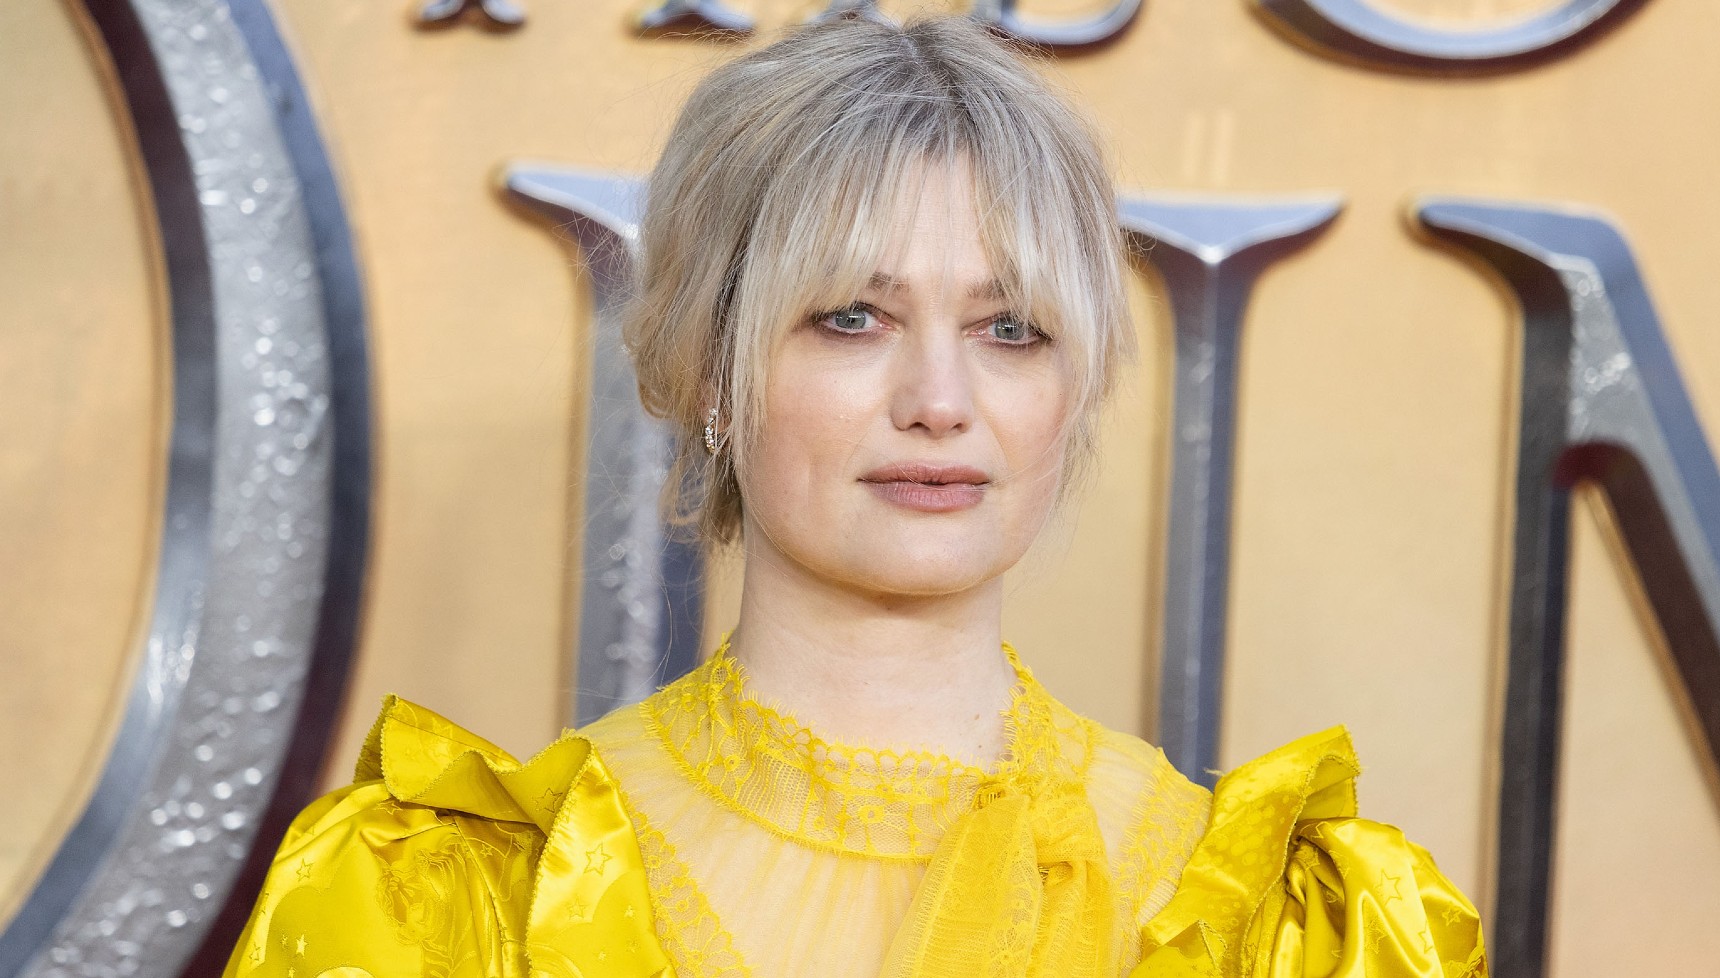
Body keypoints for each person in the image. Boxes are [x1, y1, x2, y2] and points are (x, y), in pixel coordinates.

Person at [224, 15, 1486, 978]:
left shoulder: (1287, 929)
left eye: (1011, 329)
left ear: (1076, 390)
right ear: (711, 366)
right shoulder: (451, 907)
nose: (940, 397)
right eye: (850, 318)